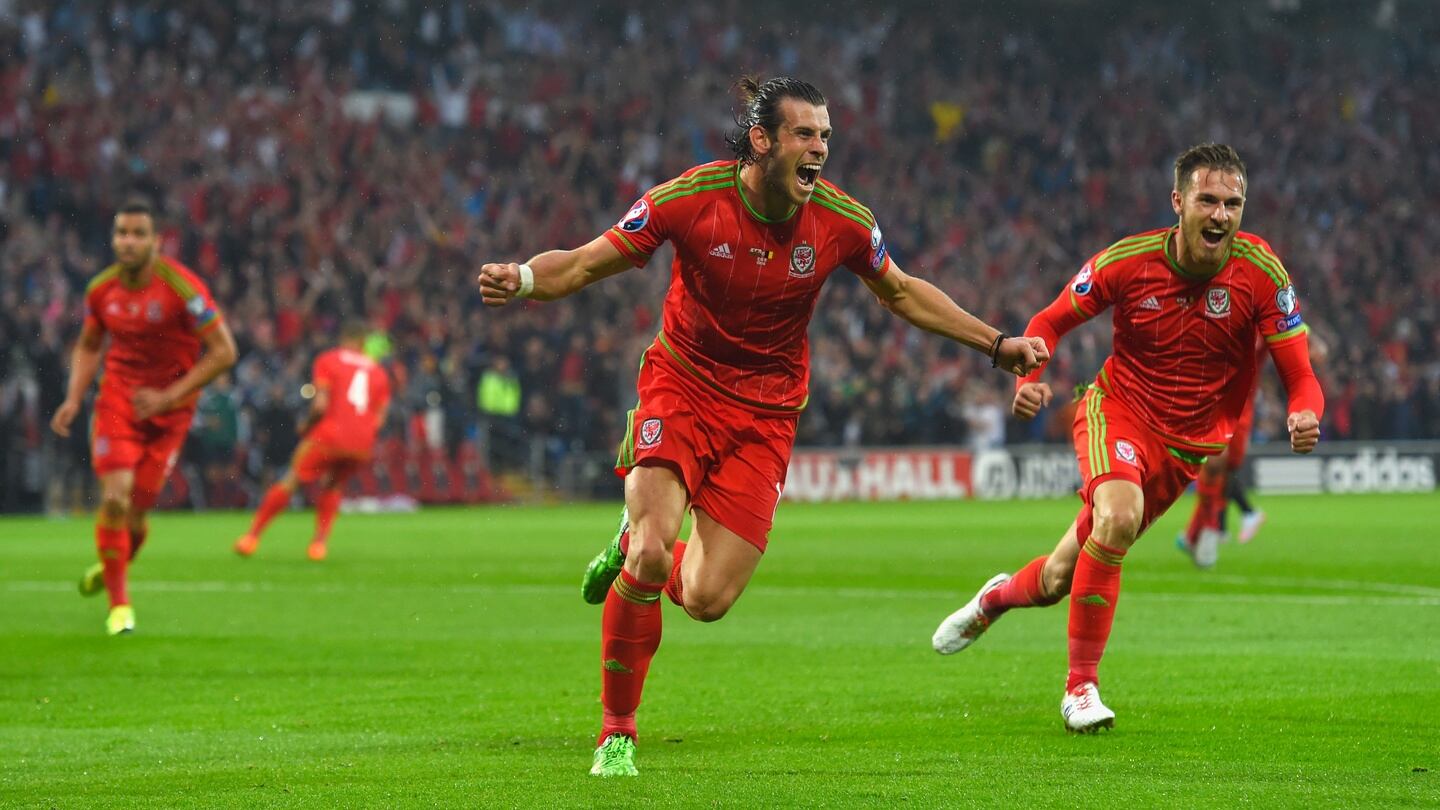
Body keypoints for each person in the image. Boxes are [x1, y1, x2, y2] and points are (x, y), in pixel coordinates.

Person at [478, 76, 1048, 776]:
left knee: (709, 600)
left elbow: (901, 291)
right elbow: (588, 261)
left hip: (767, 416)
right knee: (656, 556)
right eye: (806, 134)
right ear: (763, 139)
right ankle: (617, 732)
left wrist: (998, 346)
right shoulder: (689, 200)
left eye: (827, 136)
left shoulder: (842, 221)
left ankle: (630, 540)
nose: (820, 149)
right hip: (680, 388)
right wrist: (526, 279)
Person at [931, 144, 1324, 733]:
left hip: (1186, 447)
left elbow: (1301, 376)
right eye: (1207, 200)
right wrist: (1032, 378)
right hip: (1118, 411)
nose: (1220, 215)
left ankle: (995, 599)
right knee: (1117, 517)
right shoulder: (1129, 261)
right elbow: (1049, 322)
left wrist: (1304, 413)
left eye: (1233, 203)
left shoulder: (1262, 273)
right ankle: (1080, 690)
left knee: (1060, 578)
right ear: (1179, 202)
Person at [50, 199, 238, 635]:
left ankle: (112, 565)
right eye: (121, 233)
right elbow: (90, 345)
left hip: (171, 414)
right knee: (115, 497)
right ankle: (120, 606)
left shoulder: (183, 289)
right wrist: (74, 397)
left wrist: (169, 395)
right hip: (118, 402)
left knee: (136, 513)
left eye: (138, 234)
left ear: (157, 241)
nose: (128, 242)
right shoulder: (101, 290)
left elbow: (225, 352)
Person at [234, 320, 391, 561]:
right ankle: (319, 544)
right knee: (333, 485)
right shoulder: (378, 372)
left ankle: (251, 537)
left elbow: (320, 404)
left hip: (330, 434)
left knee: (291, 480)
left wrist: (306, 426)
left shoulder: (329, 360)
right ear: (363, 343)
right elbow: (380, 419)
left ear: (345, 339)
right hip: (361, 442)